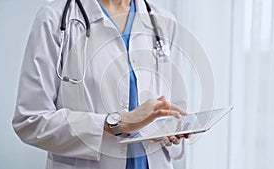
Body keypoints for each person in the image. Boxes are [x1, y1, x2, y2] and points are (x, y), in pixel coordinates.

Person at [12, 0, 189, 168]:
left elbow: (176, 110)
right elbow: (30, 120)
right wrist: (113, 124)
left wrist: (173, 130)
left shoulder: (163, 21)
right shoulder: (53, 19)